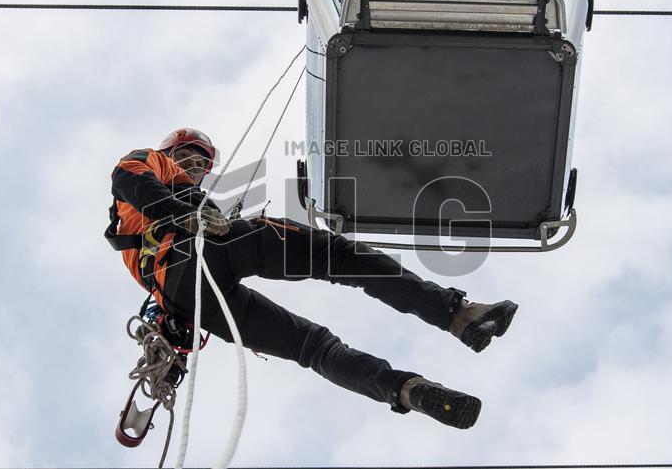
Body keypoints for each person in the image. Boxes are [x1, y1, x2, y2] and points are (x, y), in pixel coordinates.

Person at [105, 128, 518, 429]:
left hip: (185, 298)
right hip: (199, 253)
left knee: (313, 347)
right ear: (170, 151)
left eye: (203, 161)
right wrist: (185, 214)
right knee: (339, 256)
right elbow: (127, 177)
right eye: (188, 155)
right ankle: (458, 315)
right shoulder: (150, 167)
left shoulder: (162, 215)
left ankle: (407, 389)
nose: (195, 165)